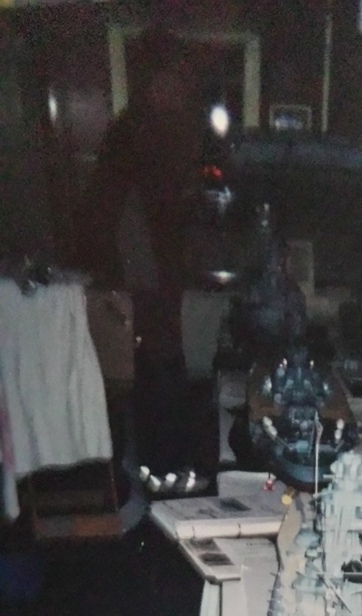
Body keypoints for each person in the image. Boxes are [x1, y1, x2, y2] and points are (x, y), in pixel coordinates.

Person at [81, 31, 211, 492]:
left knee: (161, 370)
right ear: (154, 79)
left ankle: (159, 467)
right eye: (174, 77)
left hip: (155, 271)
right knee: (155, 371)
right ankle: (159, 471)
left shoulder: (151, 129)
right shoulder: (137, 133)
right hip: (143, 274)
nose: (181, 88)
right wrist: (141, 283)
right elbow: (125, 215)